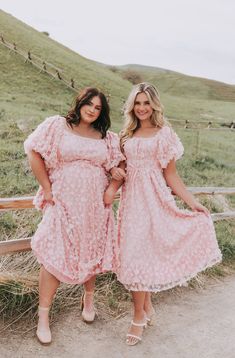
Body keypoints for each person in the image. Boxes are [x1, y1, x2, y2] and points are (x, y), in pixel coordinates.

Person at [104, 82, 222, 346]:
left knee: (144, 255)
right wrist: (113, 182)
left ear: (154, 105)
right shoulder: (125, 135)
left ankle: (137, 317)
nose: (142, 108)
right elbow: (120, 169)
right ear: (132, 105)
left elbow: (171, 175)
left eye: (147, 103)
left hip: (156, 199)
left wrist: (192, 203)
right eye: (138, 102)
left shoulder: (164, 133)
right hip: (132, 203)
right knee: (134, 255)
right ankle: (145, 308)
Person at [24, 87, 125, 345]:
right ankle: (43, 317)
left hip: (93, 206)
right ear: (80, 103)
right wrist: (46, 188)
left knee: (90, 251)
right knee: (53, 255)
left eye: (98, 107)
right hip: (62, 201)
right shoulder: (57, 126)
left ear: (102, 112)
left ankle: (88, 298)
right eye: (89, 104)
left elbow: (119, 164)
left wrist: (113, 185)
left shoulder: (107, 138)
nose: (92, 109)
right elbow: (33, 151)